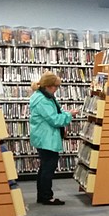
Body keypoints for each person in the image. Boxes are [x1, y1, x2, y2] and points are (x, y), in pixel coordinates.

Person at [29, 71, 78, 205]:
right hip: (46, 138)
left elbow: (56, 111)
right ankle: (46, 196)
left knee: (45, 166)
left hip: (44, 136)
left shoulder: (45, 97)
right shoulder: (42, 100)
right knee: (48, 167)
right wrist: (69, 116)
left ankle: (43, 195)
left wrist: (66, 113)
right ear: (48, 86)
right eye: (55, 86)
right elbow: (54, 120)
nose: (56, 89)